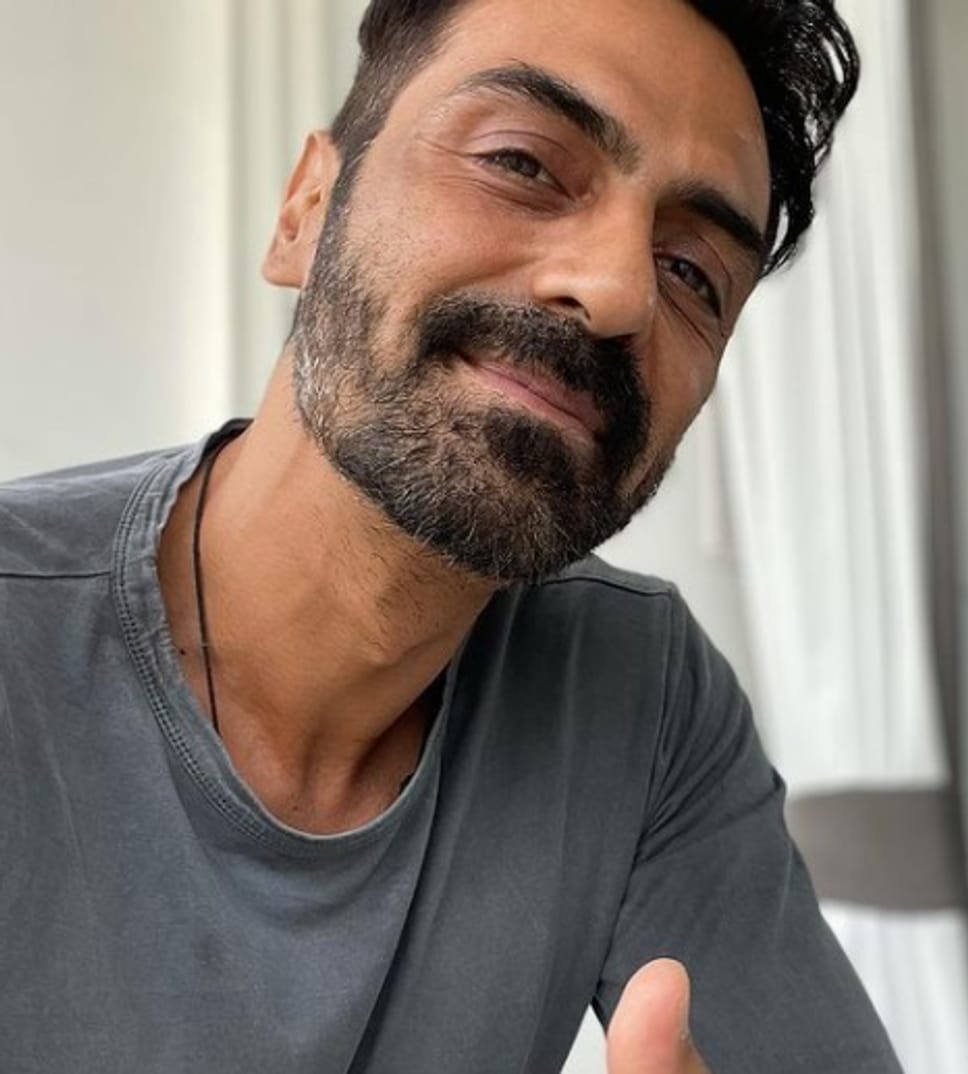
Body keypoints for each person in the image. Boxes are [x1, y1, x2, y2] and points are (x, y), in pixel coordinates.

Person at [0, 0, 903, 1070]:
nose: (616, 291)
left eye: (692, 274)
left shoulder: (640, 695)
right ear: (306, 210)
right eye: (522, 163)